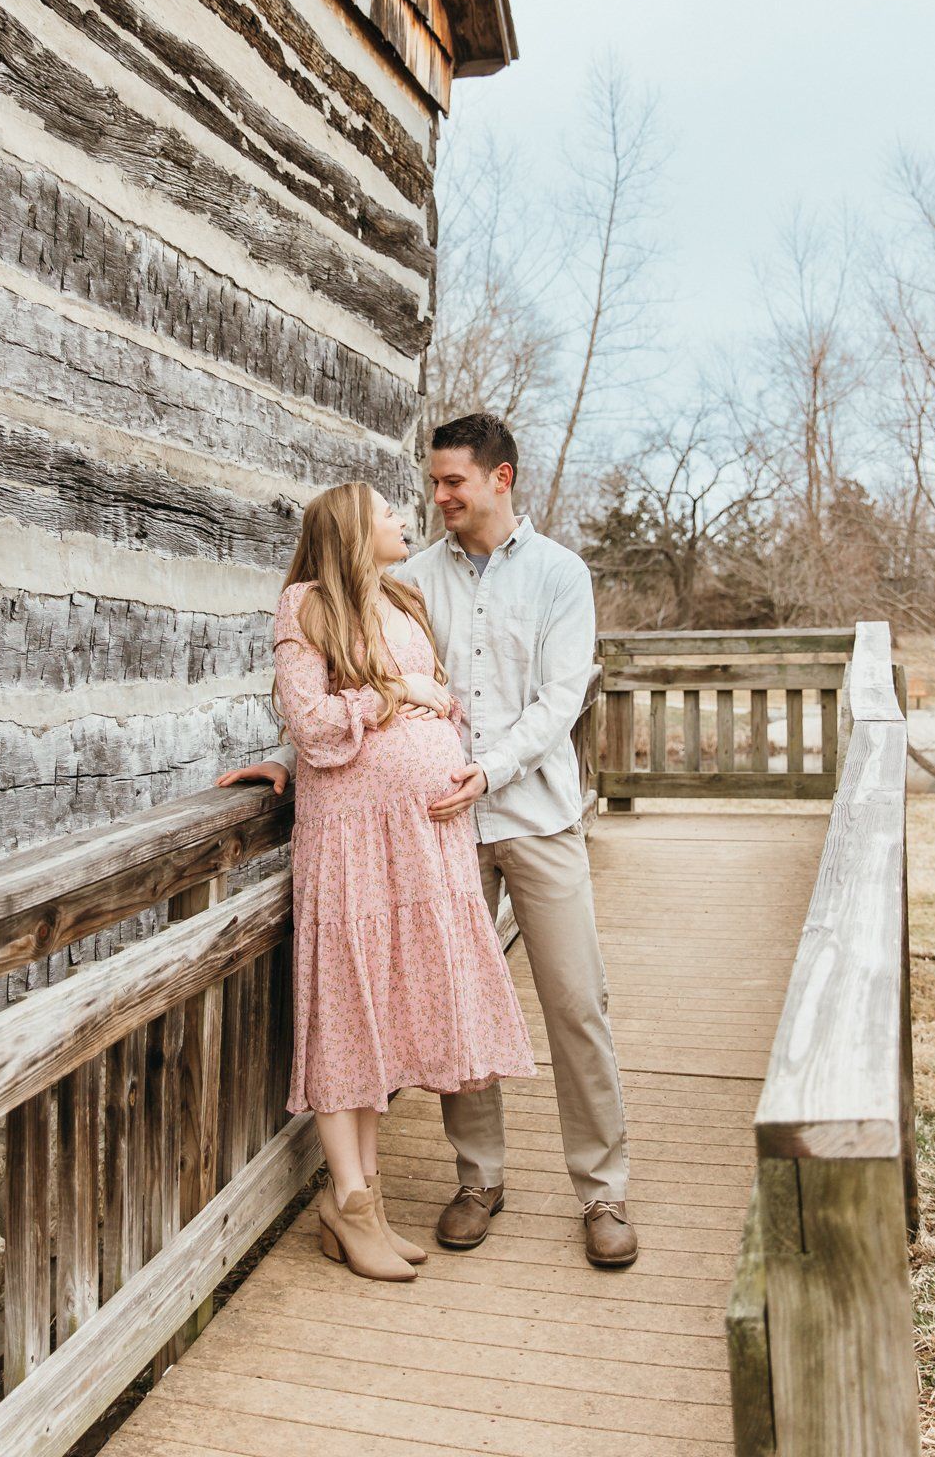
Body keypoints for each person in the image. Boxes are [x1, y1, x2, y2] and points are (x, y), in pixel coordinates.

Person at [221, 414, 637, 1269]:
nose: (437, 497)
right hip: (429, 835)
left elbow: (561, 701)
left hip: (528, 811)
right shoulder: (411, 581)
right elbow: (365, 684)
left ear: (500, 479)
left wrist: (487, 770)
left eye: (453, 482)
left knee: (575, 1001)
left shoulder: (560, 575)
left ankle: (602, 1192)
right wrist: (299, 765)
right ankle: (477, 1180)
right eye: (432, 482)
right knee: (451, 998)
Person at [236, 480, 535, 1284]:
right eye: (387, 513)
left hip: (420, 839)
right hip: (352, 841)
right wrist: (395, 696)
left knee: (381, 1015)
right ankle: (350, 1200)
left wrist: (430, 722)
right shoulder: (305, 605)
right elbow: (316, 723)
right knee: (346, 1006)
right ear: (351, 530)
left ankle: (360, 1204)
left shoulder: (399, 597)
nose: (403, 519)